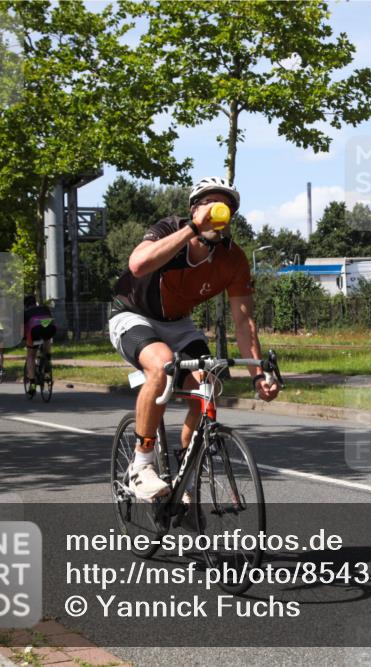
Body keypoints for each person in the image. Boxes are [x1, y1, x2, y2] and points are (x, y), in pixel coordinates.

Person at [109, 176, 280, 500]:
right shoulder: (169, 230)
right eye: (208, 203)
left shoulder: (233, 259)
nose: (217, 210)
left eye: (225, 206)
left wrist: (258, 374)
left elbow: (244, 322)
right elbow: (138, 264)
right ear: (193, 210)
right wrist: (192, 229)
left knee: (207, 385)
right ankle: (141, 465)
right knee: (162, 366)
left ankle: (187, 474)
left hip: (178, 324)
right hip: (132, 314)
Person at [24, 295, 57, 389]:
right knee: (46, 338)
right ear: (35, 302)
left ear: (25, 305)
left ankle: (32, 384)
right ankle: (47, 359)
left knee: (31, 356)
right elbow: (49, 320)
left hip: (35, 330)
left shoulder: (25, 312)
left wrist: (25, 339)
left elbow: (23, 330)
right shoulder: (45, 308)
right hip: (50, 328)